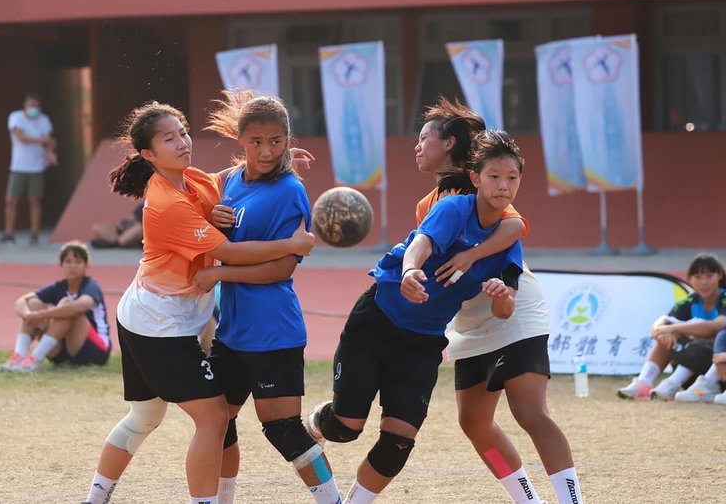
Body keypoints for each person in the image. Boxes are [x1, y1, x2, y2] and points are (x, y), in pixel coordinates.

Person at [82, 101, 315, 504]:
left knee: (144, 418)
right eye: (168, 138)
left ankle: (94, 499)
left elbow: (228, 177)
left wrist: (274, 157)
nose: (182, 142)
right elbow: (232, 252)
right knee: (214, 418)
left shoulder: (192, 180)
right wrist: (293, 244)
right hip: (160, 328)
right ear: (148, 155)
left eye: (183, 132)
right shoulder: (167, 205)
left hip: (146, 314)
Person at [307, 129, 524, 504]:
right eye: (494, 176)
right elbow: (420, 244)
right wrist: (409, 272)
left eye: (512, 178)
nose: (503, 186)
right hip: (377, 321)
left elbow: (506, 310)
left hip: (422, 343)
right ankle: (316, 421)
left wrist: (502, 296)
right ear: (475, 178)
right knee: (345, 428)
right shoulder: (454, 208)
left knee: (398, 443)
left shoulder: (509, 243)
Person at [415, 97, 584, 504]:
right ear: (477, 174)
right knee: (474, 423)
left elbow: (515, 224)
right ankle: (530, 501)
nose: (417, 146)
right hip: (471, 322)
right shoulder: (429, 203)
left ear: (449, 143)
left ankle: (572, 501)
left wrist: (473, 256)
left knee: (529, 412)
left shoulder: (486, 188)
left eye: (424, 138)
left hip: (513, 305)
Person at [190, 91, 341, 504]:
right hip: (233, 333)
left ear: (287, 140)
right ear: (241, 140)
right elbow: (200, 191)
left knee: (283, 430)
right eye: (256, 141)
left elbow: (282, 268)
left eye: (276, 141)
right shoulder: (231, 180)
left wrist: (219, 272)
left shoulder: (290, 191)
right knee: (216, 420)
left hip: (274, 331)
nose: (266, 150)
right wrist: (211, 214)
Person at [618, 253, 726, 402]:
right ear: (690, 279)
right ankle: (644, 382)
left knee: (701, 342)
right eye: (698, 277)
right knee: (669, 338)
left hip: (719, 365)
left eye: (708, 276)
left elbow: (717, 326)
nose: (703, 282)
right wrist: (666, 331)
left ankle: (674, 384)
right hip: (694, 367)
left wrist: (675, 329)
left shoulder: (724, 298)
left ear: (720, 275)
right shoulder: (690, 301)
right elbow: (660, 324)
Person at [0, 240, 111, 373]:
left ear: (86, 265)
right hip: (63, 351)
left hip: (94, 350)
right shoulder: (58, 287)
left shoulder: (91, 286)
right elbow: (21, 301)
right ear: (61, 265)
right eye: (68, 261)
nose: (73, 266)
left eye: (78, 262)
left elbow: (80, 307)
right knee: (33, 304)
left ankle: (36, 358)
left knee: (67, 306)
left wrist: (41, 316)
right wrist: (29, 316)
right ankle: (19, 355)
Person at [0, 92, 57, 245]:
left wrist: (50, 153)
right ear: (25, 106)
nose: (35, 109)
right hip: (18, 166)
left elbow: (50, 141)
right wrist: (42, 140)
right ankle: (9, 233)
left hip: (36, 166)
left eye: (37, 106)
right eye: (32, 106)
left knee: (35, 200)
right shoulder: (16, 117)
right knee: (11, 200)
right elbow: (21, 137)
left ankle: (34, 234)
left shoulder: (44, 120)